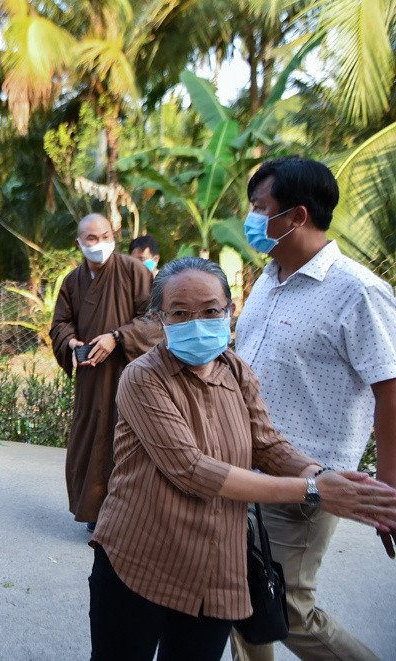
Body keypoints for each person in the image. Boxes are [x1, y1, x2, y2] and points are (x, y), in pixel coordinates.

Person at [89, 257, 396, 661]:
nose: (197, 321)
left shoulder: (236, 371)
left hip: (217, 571)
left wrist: (329, 479)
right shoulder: (144, 376)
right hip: (139, 560)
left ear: (230, 311)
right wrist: (313, 490)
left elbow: (268, 446)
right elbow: (191, 469)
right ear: (158, 319)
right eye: (180, 313)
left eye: (211, 310)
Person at [230, 157, 396, 661]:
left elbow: (391, 391)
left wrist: (387, 495)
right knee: (245, 599)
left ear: (296, 215)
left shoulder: (358, 291)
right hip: (246, 469)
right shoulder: (267, 278)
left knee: (290, 612)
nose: (251, 218)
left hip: (308, 483)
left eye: (260, 208)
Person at [49, 213, 162, 529]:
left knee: (125, 441)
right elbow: (59, 323)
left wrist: (117, 338)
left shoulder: (135, 272)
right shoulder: (73, 281)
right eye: (91, 239)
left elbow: (156, 320)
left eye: (105, 236)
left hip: (129, 376)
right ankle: (94, 513)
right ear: (79, 243)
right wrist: (70, 343)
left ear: (114, 237)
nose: (99, 244)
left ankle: (127, 517)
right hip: (90, 378)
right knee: (90, 440)